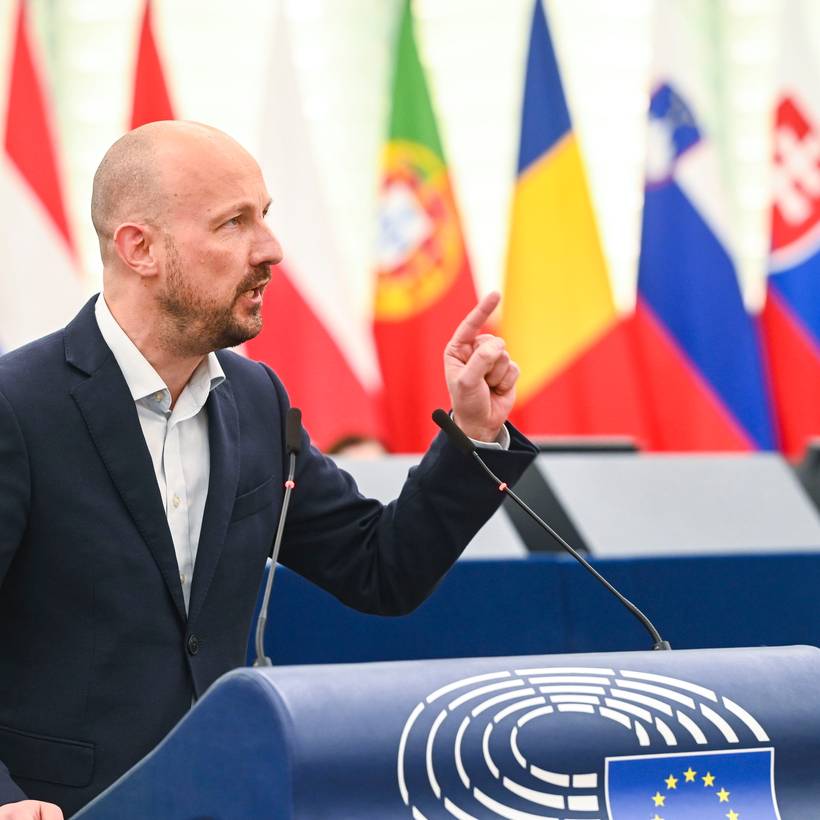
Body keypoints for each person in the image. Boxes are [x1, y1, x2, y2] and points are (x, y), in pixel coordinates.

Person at [0, 121, 535, 818]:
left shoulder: (258, 401)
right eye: (233, 223)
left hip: (228, 798)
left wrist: (472, 432)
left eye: (267, 217)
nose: (271, 250)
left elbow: (380, 569)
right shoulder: (19, 407)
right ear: (140, 248)